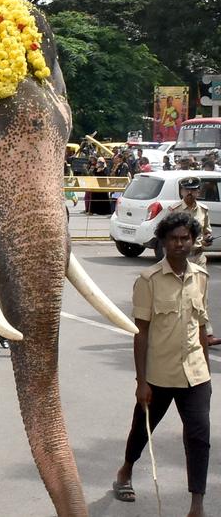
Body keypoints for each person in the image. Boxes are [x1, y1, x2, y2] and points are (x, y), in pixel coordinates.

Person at [111, 211, 210, 517]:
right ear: (164, 242)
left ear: (193, 241)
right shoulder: (148, 280)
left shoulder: (201, 277)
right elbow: (140, 333)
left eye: (185, 238)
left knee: (199, 437)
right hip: (159, 376)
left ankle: (197, 505)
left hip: (195, 375)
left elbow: (202, 327)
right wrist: (141, 382)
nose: (180, 244)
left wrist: (207, 373)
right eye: (174, 239)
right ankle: (125, 471)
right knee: (142, 430)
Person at [167, 176, 220, 346]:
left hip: (198, 257)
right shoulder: (174, 210)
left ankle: (206, 334)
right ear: (181, 191)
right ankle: (176, 332)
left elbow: (206, 231)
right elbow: (167, 235)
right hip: (180, 259)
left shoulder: (203, 210)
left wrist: (207, 239)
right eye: (186, 190)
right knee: (178, 295)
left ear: (198, 191)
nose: (190, 193)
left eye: (193, 190)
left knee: (201, 296)